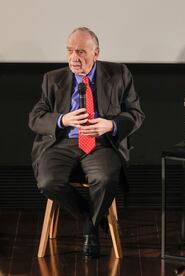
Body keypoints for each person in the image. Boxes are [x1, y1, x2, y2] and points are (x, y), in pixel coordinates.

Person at [28, 27, 144, 258]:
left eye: (80, 51)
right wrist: (62, 119)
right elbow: (35, 118)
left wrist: (110, 125)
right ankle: (89, 222)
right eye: (70, 50)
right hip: (62, 143)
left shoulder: (119, 74)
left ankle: (90, 227)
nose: (74, 57)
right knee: (48, 182)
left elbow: (136, 114)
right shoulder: (53, 79)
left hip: (101, 143)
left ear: (96, 53)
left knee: (106, 178)